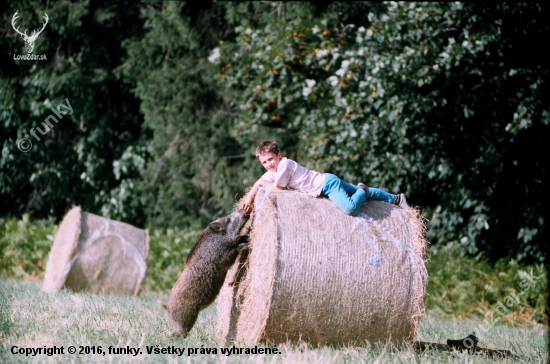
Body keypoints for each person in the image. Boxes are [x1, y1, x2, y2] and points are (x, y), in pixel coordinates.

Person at [240, 141, 408, 216]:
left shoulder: (285, 165)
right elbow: (259, 183)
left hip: (327, 185)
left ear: (279, 154)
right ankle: (396, 198)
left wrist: (261, 183)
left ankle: (361, 190)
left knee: (351, 210)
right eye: (264, 162)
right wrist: (249, 198)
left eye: (270, 159)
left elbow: (277, 190)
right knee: (370, 193)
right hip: (326, 182)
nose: (268, 164)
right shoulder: (273, 171)